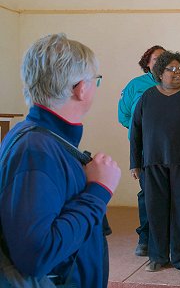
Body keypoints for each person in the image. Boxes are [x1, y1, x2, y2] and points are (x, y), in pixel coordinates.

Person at [0, 33, 121, 287]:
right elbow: (36, 255)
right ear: (81, 89)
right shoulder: (35, 151)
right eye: (95, 81)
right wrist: (98, 192)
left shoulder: (39, 139)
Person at [130, 51, 180, 275]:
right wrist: (135, 162)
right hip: (153, 164)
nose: (178, 73)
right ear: (159, 72)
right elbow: (135, 131)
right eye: (172, 69)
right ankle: (157, 257)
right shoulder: (148, 96)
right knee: (155, 210)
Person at [118, 45, 165, 257]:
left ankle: (169, 239)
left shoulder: (179, 83)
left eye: (164, 59)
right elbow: (124, 116)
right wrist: (143, 133)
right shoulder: (135, 85)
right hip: (145, 149)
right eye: (156, 59)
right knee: (148, 194)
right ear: (147, 63)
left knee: (172, 195)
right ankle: (145, 238)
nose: (160, 62)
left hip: (172, 149)